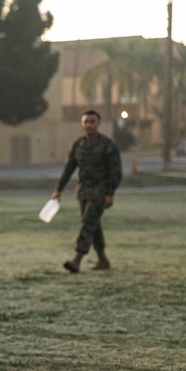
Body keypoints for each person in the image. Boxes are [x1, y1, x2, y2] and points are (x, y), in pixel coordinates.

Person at [51, 109, 122, 273]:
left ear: (98, 124)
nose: (89, 125)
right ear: (82, 124)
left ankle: (77, 259)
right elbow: (69, 168)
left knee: (88, 223)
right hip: (83, 191)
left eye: (92, 122)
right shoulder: (78, 144)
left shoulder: (107, 145)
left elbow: (116, 171)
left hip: (100, 190)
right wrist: (59, 190)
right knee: (93, 225)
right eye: (86, 122)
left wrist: (110, 193)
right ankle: (103, 260)